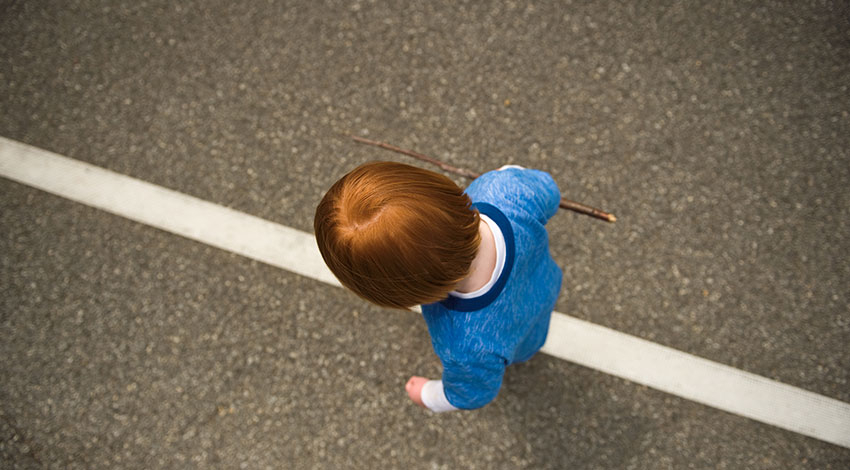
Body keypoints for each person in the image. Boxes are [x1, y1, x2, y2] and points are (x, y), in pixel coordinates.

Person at [314, 161, 563, 411]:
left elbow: (471, 393)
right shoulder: (503, 190)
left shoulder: (462, 342)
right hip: (545, 285)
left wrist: (428, 395)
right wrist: (509, 172)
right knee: (535, 325)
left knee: (519, 348)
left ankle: (524, 355)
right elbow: (549, 191)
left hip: (519, 337)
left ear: (400, 294)